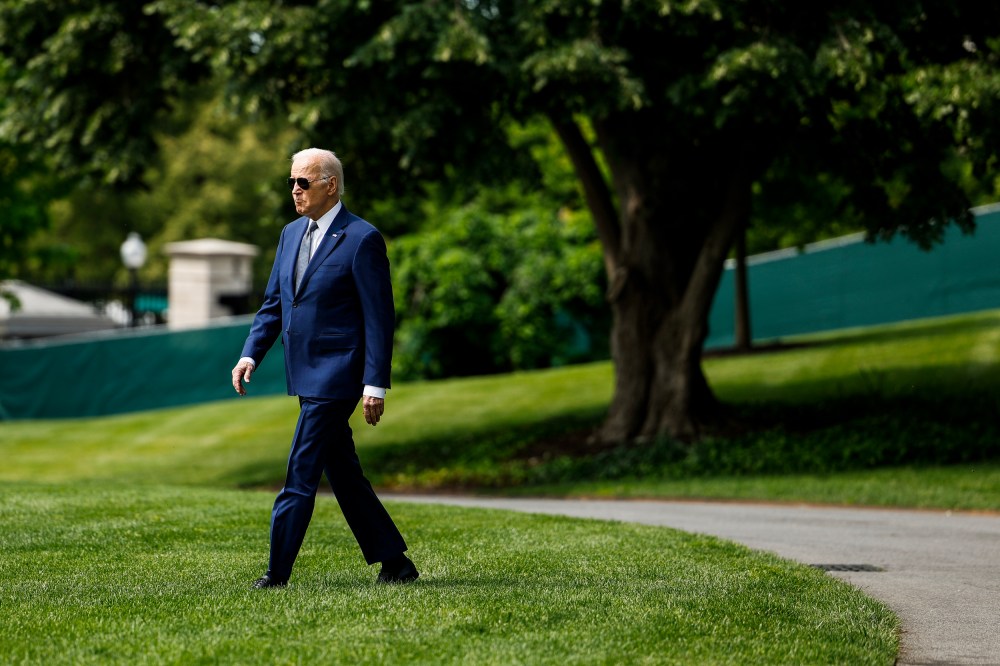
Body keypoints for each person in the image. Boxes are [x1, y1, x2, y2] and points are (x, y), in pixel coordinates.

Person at [231, 147, 417, 588]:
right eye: (291, 182)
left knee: (300, 474)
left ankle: (276, 575)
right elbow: (275, 304)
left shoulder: (362, 238)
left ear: (330, 185)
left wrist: (375, 384)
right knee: (345, 474)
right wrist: (249, 353)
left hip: (337, 376)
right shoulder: (290, 234)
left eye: (303, 182)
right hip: (303, 371)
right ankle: (396, 563)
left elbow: (379, 318)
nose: (295, 191)